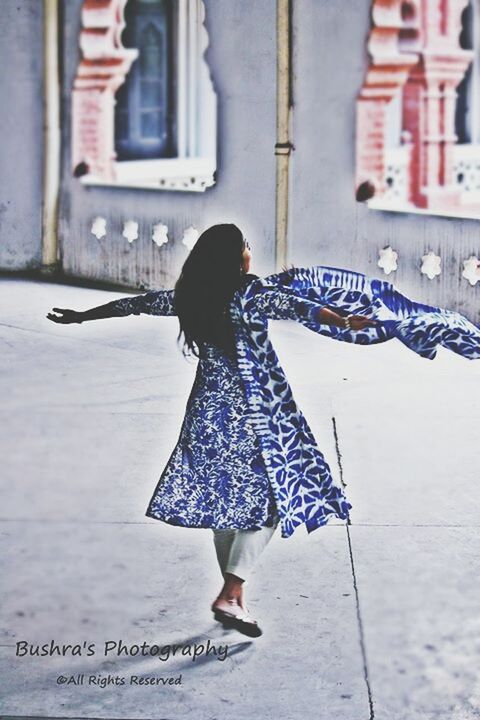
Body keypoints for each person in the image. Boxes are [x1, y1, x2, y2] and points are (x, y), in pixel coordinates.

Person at [47, 224, 376, 637]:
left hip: (206, 413)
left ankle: (236, 601)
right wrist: (344, 320)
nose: (250, 252)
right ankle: (231, 590)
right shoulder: (249, 294)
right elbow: (298, 308)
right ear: (237, 257)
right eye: (246, 246)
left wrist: (81, 316)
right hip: (254, 413)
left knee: (226, 502)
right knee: (275, 497)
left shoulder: (190, 297)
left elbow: (137, 305)